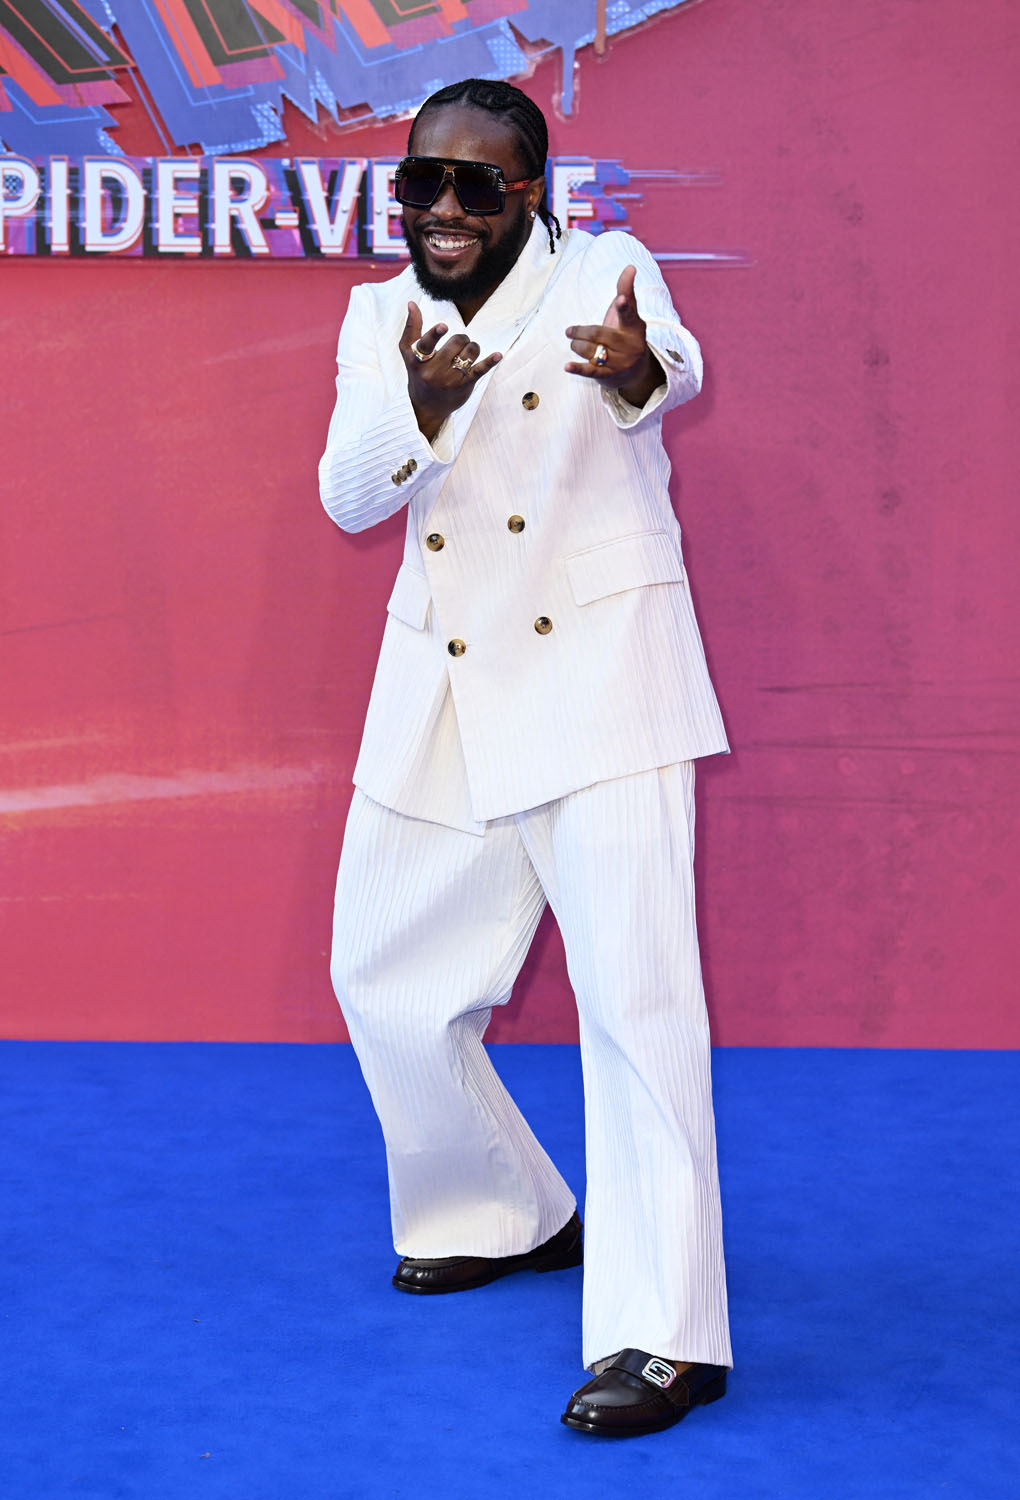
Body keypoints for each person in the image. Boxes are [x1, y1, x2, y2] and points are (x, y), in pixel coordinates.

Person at [318, 77, 732, 1438]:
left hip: (602, 670)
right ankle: (501, 1211)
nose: (442, 208)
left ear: (529, 191)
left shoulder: (606, 270)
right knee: (383, 971)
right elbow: (346, 496)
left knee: (635, 1004)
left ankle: (666, 1333)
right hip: (444, 674)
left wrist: (640, 373)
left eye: (475, 184)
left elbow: (675, 368)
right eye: (420, 182)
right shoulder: (380, 315)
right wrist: (418, 414)